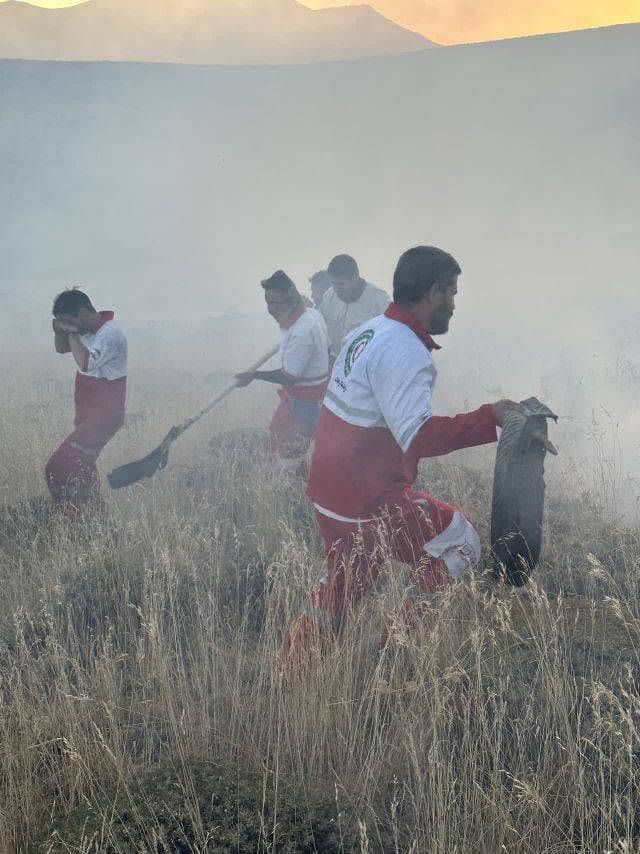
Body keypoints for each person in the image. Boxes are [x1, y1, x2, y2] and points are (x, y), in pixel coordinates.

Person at [280, 246, 524, 666]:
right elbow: (420, 438)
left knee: (343, 587)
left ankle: (291, 672)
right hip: (368, 502)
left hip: (328, 493)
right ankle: (395, 647)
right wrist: (491, 416)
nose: (453, 302)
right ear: (431, 293)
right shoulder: (405, 350)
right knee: (460, 543)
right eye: (451, 292)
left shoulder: (369, 330)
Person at [236, 271, 329, 478]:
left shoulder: (301, 331)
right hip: (299, 400)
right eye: (268, 302)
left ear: (290, 300)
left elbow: (289, 377)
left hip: (305, 403)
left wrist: (254, 375)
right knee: (281, 443)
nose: (271, 309)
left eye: (276, 303)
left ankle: (289, 491)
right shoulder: (310, 314)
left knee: (289, 456)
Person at [46, 289, 127, 509]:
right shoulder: (88, 330)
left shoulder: (110, 333)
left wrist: (71, 332)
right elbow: (61, 348)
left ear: (82, 312)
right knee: (81, 469)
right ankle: (96, 521)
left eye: (69, 320)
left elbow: (84, 362)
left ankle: (74, 520)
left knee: (58, 468)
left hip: (102, 418)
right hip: (89, 415)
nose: (68, 326)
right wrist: (60, 331)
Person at [318, 254, 390, 358]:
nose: (336, 289)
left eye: (341, 284)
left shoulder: (379, 301)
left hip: (365, 363)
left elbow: (388, 339)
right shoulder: (329, 296)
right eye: (333, 283)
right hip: (335, 363)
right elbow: (320, 329)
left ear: (355, 278)